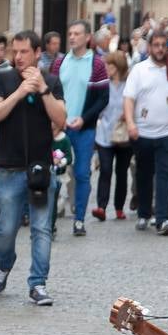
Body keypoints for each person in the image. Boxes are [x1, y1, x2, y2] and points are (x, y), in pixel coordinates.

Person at [0, 31, 68, 305]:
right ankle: (5, 263)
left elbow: (61, 118)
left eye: (24, 52)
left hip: (40, 168)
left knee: (42, 228)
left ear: (36, 53)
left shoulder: (53, 81)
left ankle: (38, 284)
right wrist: (20, 92)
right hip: (9, 168)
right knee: (6, 230)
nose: (18, 57)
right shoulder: (3, 79)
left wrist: (42, 89)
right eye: (15, 51)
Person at [123, 31, 168, 236]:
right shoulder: (139, 70)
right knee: (144, 174)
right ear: (150, 47)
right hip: (143, 132)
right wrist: (130, 123)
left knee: (166, 174)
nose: (161, 49)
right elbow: (129, 99)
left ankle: (163, 219)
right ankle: (145, 212)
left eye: (164, 45)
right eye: (156, 45)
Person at [49, 21, 109, 237]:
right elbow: (51, 92)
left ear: (87, 37)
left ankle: (79, 220)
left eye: (77, 34)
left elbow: (103, 98)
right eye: (70, 33)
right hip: (60, 127)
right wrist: (56, 120)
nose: (72, 37)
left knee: (82, 173)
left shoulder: (97, 64)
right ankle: (51, 220)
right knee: (55, 174)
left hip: (84, 128)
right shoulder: (59, 63)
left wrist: (84, 119)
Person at [91, 50, 132, 221]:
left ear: (119, 67)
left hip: (124, 136)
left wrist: (128, 115)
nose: (107, 68)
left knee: (121, 172)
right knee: (106, 170)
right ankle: (101, 206)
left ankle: (119, 208)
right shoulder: (103, 84)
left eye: (110, 65)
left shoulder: (129, 84)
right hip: (105, 134)